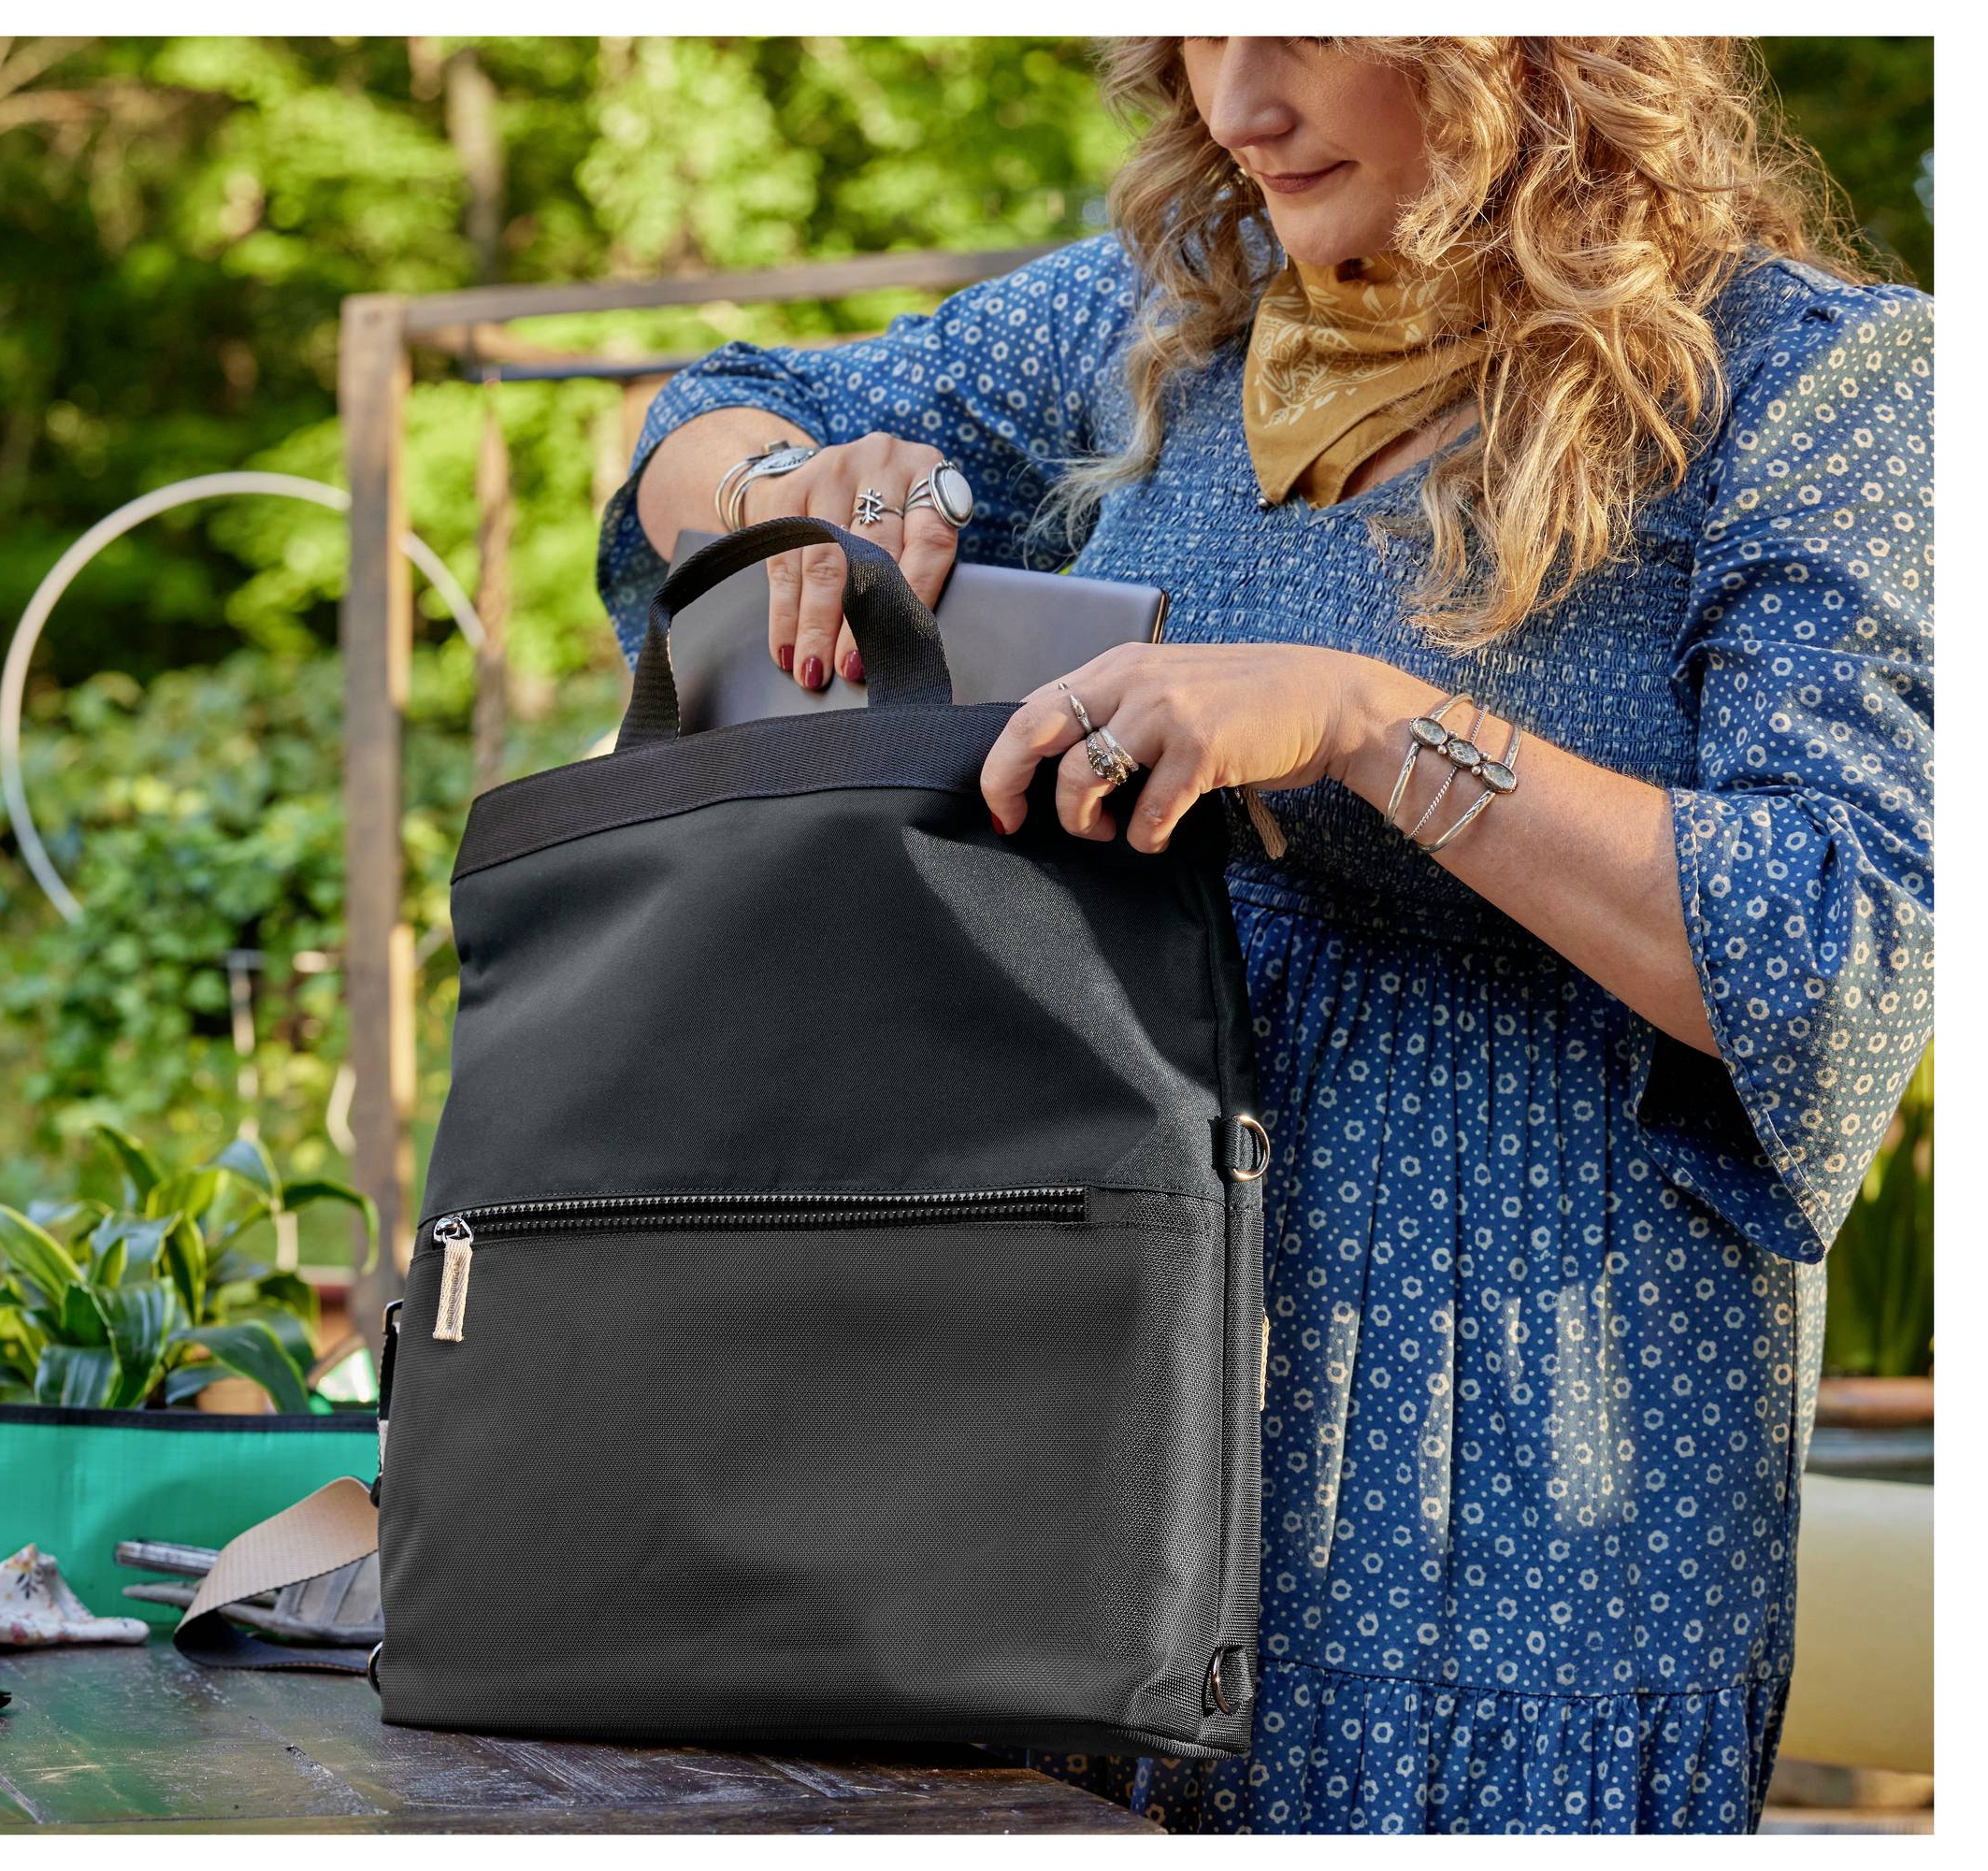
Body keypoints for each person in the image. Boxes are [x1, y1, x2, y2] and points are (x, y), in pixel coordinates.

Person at [597, 36, 1933, 1835]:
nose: (1237, 104)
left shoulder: (1810, 384)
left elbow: (1840, 950)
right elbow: (710, 411)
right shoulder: (1177, 308)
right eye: (1199, 36)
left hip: (1524, 1470)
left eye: (1300, 30)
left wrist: (1367, 724)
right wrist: (789, 498)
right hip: (1088, 1424)